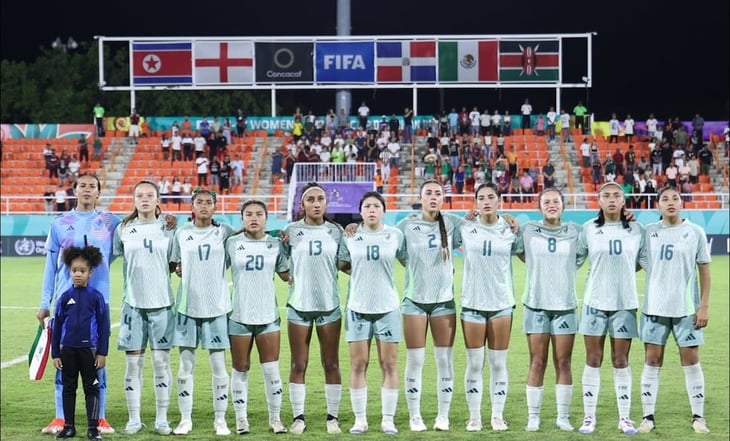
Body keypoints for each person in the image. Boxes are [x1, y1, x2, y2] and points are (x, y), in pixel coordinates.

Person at [38, 174, 121, 435]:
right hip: (66, 303)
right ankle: (62, 418)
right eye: (82, 185)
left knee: (98, 359)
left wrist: (163, 218)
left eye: (92, 186)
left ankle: (101, 417)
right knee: (63, 359)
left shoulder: (110, 222)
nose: (87, 189)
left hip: (99, 303)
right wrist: (44, 302)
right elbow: (50, 266)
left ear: (99, 192)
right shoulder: (60, 223)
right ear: (75, 190)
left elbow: (136, 231)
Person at [636, 186, 712, 434]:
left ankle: (698, 417)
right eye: (665, 199)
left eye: (675, 198)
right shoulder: (649, 232)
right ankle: (647, 417)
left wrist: (704, 306)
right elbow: (641, 262)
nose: (670, 202)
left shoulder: (695, 232)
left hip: (686, 309)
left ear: (681, 203)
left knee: (691, 361)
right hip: (654, 308)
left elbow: (704, 270)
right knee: (652, 360)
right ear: (657, 205)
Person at [576, 182, 644, 435]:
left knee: (621, 360)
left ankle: (625, 418)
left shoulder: (637, 229)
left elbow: (641, 262)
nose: (612, 199)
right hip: (594, 303)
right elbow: (577, 258)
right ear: (599, 201)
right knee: (593, 359)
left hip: (625, 304)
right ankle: (589, 417)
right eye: (607, 195)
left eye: (617, 195)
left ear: (624, 200)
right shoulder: (589, 229)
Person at [336, 191, 407, 435]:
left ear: (383, 210)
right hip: (357, 307)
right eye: (367, 206)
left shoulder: (395, 235)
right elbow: (342, 264)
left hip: (388, 307)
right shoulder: (350, 236)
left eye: (376, 206)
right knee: (358, 364)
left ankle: (388, 419)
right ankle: (360, 419)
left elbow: (409, 261)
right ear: (361, 211)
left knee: (389, 364)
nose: (372, 210)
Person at [517, 187, 587, 432]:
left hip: (565, 305)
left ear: (563, 206)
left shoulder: (576, 231)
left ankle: (563, 416)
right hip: (536, 304)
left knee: (564, 362)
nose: (551, 205)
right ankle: (533, 416)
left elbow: (584, 253)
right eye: (546, 202)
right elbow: (517, 249)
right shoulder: (528, 230)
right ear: (539, 207)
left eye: (556, 201)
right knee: (537, 362)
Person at [169, 188, 235, 436]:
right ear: (192, 206)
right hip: (187, 307)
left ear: (215, 207)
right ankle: (185, 419)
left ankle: (220, 420)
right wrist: (178, 269)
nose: (204, 206)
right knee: (186, 365)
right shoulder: (181, 233)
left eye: (209, 202)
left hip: (216, 307)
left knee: (219, 365)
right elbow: (176, 265)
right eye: (200, 202)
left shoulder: (224, 232)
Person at [112, 180, 176, 435]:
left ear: (158, 199)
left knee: (161, 364)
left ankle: (162, 418)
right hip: (133, 306)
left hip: (162, 305)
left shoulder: (169, 228)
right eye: (140, 195)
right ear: (134, 199)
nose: (145, 199)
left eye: (150, 195)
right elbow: (115, 257)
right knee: (133, 366)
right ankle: (134, 418)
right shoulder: (123, 229)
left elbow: (174, 264)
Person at [281, 182, 344, 435]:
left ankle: (332, 418)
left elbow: (345, 263)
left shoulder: (337, 231)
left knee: (331, 363)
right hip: (299, 305)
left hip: (329, 304)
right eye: (311, 199)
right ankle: (298, 418)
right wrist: (289, 278)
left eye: (320, 199)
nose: (316, 203)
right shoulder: (291, 231)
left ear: (326, 203)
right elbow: (279, 262)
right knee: (298, 364)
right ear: (302, 204)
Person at [459, 183, 521, 432]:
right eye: (481, 198)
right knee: (474, 364)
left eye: (491, 197)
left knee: (498, 363)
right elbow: (433, 221)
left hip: (501, 304)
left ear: (499, 201)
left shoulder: (510, 229)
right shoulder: (464, 227)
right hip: (472, 303)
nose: (486, 201)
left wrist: (512, 220)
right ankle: (474, 416)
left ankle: (497, 416)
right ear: (475, 203)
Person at [226, 200, 290, 435]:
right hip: (239, 315)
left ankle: (275, 419)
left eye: (259, 214)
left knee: (271, 370)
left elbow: (286, 275)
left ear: (267, 217)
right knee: (240, 369)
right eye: (249, 214)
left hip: (268, 316)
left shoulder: (275, 243)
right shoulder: (232, 243)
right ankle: (241, 420)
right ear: (242, 218)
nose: (254, 218)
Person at [51, 245, 109, 441]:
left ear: (90, 273)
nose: (78, 274)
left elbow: (103, 326)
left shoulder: (96, 297)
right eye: (74, 270)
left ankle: (93, 428)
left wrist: (102, 352)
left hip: (89, 351)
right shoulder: (64, 298)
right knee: (68, 387)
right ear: (69, 271)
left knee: (91, 388)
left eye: (82, 271)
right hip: (68, 350)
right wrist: (55, 353)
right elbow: (57, 326)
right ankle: (68, 427)